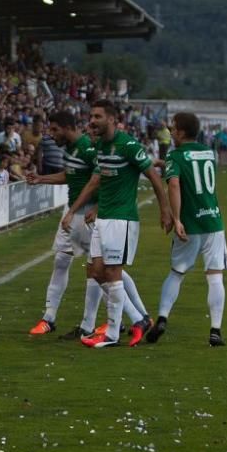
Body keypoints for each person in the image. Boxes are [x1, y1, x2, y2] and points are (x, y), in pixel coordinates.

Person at [27, 112, 152, 340]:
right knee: (66, 260)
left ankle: (131, 317)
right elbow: (72, 175)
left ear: (67, 127)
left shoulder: (89, 148)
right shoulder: (73, 150)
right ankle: (50, 317)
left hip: (92, 214)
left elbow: (104, 178)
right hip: (75, 211)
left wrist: (97, 206)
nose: (51, 135)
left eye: (54, 130)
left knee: (103, 269)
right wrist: (41, 179)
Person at [63, 100, 172, 348]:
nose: (92, 120)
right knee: (95, 272)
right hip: (104, 217)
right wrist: (80, 210)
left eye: (97, 116)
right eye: (91, 115)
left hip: (121, 219)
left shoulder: (129, 145)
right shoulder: (101, 146)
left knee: (112, 272)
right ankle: (138, 319)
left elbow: (154, 177)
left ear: (112, 119)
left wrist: (165, 210)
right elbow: (100, 180)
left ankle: (112, 333)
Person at [148, 112, 227, 347]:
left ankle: (162, 317)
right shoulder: (209, 152)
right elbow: (194, 168)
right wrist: (166, 163)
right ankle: (215, 330)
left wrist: (177, 218)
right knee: (215, 276)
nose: (171, 131)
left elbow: (174, 184)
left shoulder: (175, 154)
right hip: (214, 222)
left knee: (177, 273)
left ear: (181, 133)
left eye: (173, 128)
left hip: (191, 224)